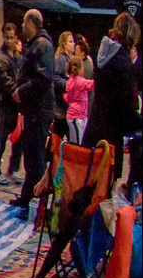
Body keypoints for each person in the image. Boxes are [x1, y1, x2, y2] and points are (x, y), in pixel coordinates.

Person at [82, 12, 142, 185]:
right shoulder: (122, 64)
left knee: (89, 179)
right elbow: (127, 105)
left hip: (95, 125)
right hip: (110, 135)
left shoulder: (105, 55)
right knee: (104, 185)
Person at [10, 9, 55, 214]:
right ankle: (28, 197)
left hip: (38, 111)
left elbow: (44, 79)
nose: (22, 27)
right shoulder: (37, 44)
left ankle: (35, 203)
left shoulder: (42, 46)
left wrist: (22, 90)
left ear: (31, 22)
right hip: (33, 110)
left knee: (36, 158)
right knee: (31, 156)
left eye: (24, 23)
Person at [0, 23, 23, 186]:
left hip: (14, 102)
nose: (10, 40)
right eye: (7, 38)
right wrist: (17, 91)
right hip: (4, 102)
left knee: (18, 137)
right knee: (1, 138)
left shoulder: (16, 54)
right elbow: (2, 79)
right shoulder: (1, 57)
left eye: (12, 37)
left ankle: (13, 168)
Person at [64, 58, 94, 145]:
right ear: (80, 69)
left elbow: (67, 97)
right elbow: (92, 84)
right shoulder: (80, 82)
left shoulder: (70, 81)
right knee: (79, 144)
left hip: (73, 115)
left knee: (74, 142)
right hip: (77, 117)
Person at [53, 30, 74, 139]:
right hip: (61, 108)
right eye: (70, 42)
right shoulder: (61, 60)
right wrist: (70, 85)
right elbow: (56, 78)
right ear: (64, 44)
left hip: (67, 108)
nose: (73, 44)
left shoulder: (70, 59)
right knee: (57, 138)